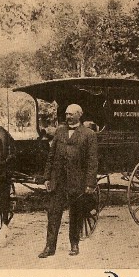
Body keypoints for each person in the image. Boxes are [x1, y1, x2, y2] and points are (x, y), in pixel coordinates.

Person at [38, 104, 98, 258]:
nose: (68, 117)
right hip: (58, 181)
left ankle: (74, 244)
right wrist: (47, 177)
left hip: (77, 181)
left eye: (71, 114)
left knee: (76, 214)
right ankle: (49, 247)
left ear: (80, 114)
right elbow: (51, 157)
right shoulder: (60, 131)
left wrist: (90, 184)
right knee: (53, 213)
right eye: (66, 114)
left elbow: (92, 161)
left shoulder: (89, 134)